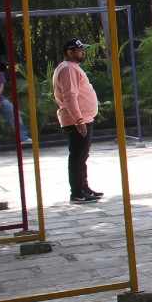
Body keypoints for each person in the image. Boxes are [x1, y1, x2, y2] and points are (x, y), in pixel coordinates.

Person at [51, 38, 102, 204]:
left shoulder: (71, 67)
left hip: (82, 118)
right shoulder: (67, 69)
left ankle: (84, 188)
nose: (82, 52)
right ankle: (77, 193)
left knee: (82, 156)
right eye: (79, 50)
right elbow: (70, 96)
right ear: (69, 52)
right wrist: (79, 120)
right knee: (77, 157)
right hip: (77, 120)